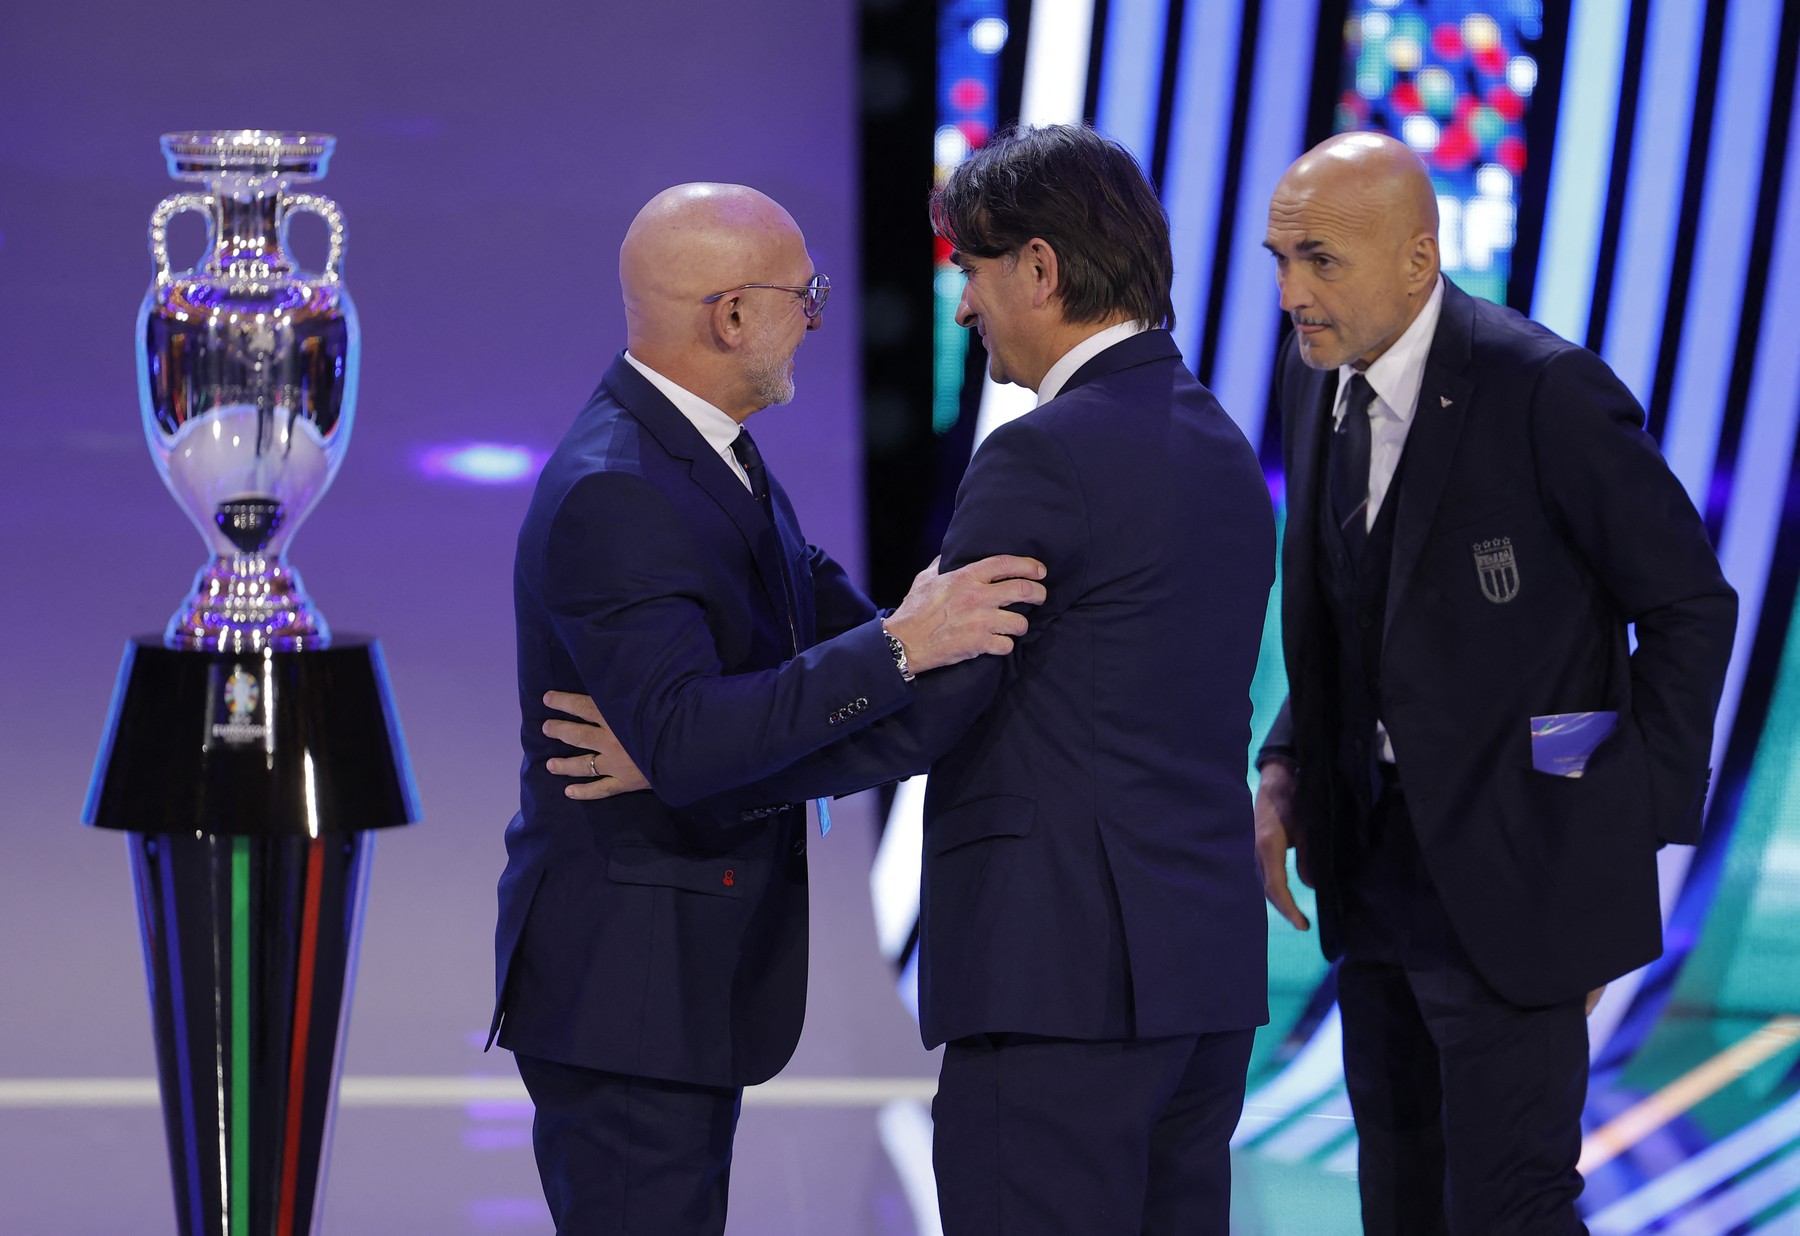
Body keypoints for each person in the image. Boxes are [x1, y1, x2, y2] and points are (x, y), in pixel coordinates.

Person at [555, 126, 1277, 1236]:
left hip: (1057, 982)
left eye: (972, 274)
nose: (962, 309)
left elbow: (928, 707)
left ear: (1039, 269)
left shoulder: (1044, 454)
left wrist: (686, 762)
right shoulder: (1219, 443)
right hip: (1203, 981)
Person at [494, 181, 1048, 1235]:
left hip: (673, 985)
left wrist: (907, 642)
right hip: (625, 995)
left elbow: (811, 668)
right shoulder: (620, 488)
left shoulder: (714, 457)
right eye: (807, 294)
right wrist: (895, 646)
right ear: (732, 315)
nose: (817, 318)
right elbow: (698, 736)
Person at [1254, 132, 1737, 1235]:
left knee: (1511, 1210)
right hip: (1373, 870)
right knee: (1402, 1201)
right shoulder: (1315, 374)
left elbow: (1688, 607)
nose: (1291, 293)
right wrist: (1286, 765)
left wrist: (1622, 830)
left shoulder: (1545, 391)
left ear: (1420, 261)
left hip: (1526, 870)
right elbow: (1351, 617)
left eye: (1320, 259)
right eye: (1279, 259)